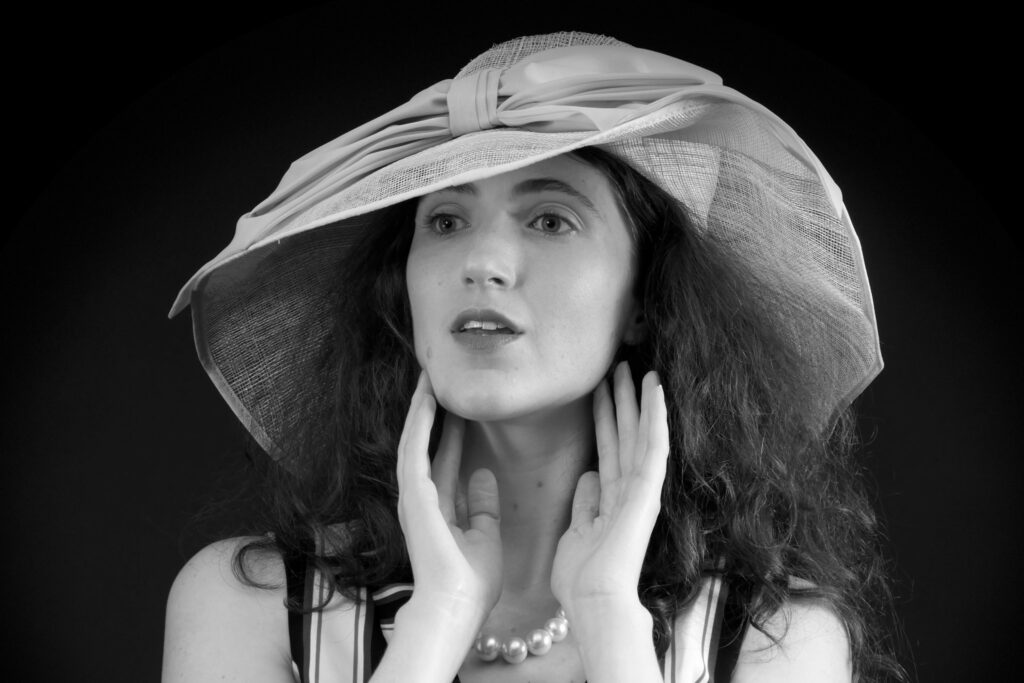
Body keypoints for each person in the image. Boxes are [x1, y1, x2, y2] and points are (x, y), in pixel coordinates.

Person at [162, 32, 904, 682]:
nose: (482, 260)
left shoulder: (774, 638)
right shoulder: (251, 604)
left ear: (647, 298)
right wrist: (435, 621)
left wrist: (608, 618)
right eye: (446, 219)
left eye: (551, 218)